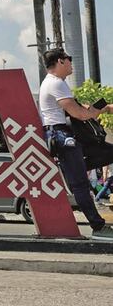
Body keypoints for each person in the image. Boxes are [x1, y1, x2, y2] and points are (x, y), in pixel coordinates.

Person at [38, 48, 113, 241]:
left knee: (89, 170)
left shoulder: (56, 84)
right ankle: (98, 227)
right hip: (62, 136)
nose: (71, 63)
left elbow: (78, 111)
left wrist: (98, 109)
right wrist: (99, 110)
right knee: (80, 184)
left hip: (66, 135)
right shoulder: (55, 83)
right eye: (69, 59)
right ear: (60, 62)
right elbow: (80, 114)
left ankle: (75, 170)